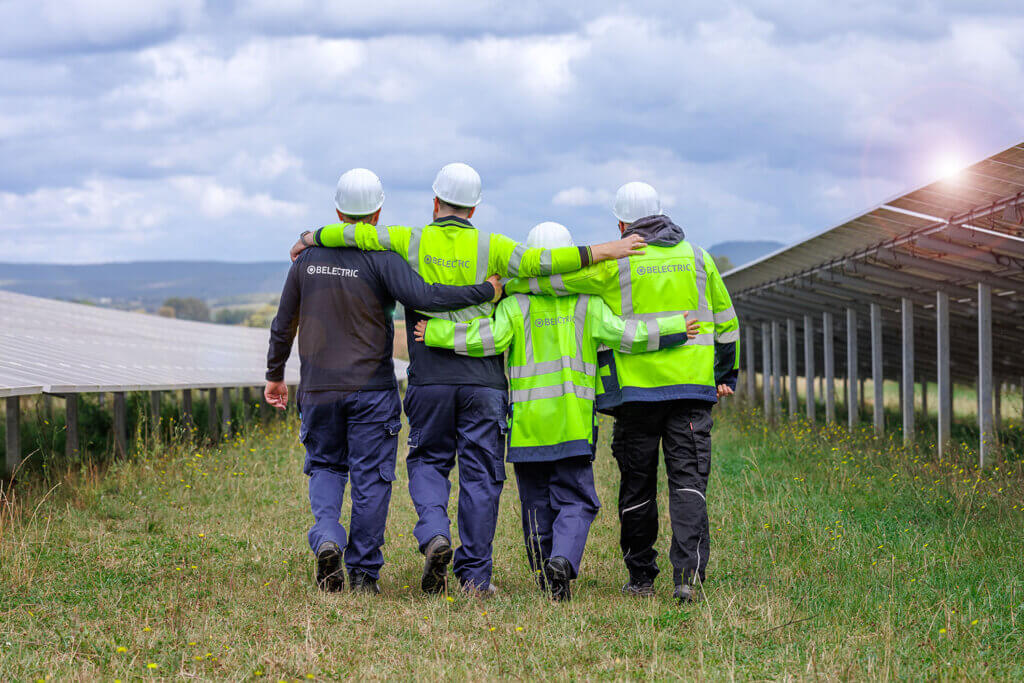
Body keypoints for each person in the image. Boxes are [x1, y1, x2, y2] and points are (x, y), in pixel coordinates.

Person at [288, 163, 647, 596]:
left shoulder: (409, 239)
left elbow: (358, 235)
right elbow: (541, 263)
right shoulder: (493, 246)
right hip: (484, 382)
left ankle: (436, 531)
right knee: (480, 478)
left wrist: (311, 237)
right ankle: (475, 577)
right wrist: (605, 250)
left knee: (427, 463)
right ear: (474, 206)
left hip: (430, 378)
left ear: (435, 202)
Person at [414, 221, 700, 601]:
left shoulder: (514, 303)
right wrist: (673, 328)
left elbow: (489, 338)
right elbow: (626, 336)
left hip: (529, 428)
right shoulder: (588, 303)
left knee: (534, 504)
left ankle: (545, 572)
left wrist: (434, 333)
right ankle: (562, 560)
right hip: (573, 425)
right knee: (577, 499)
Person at [264, 168, 501, 595]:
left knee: (325, 466)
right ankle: (363, 576)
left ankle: (328, 537)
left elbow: (284, 324)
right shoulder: (385, 258)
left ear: (337, 210)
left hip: (318, 388)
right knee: (372, 479)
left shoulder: (305, 263)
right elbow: (427, 298)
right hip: (372, 389)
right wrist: (484, 290)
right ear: (377, 214)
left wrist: (275, 375)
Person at [505, 183, 740, 603]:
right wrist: (726, 374)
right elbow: (727, 323)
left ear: (621, 224)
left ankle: (642, 578)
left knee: (638, 487)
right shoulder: (700, 259)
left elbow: (552, 280)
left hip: (636, 397)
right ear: (663, 214)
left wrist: (507, 285)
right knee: (688, 484)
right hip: (691, 392)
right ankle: (686, 578)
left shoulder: (617, 266)